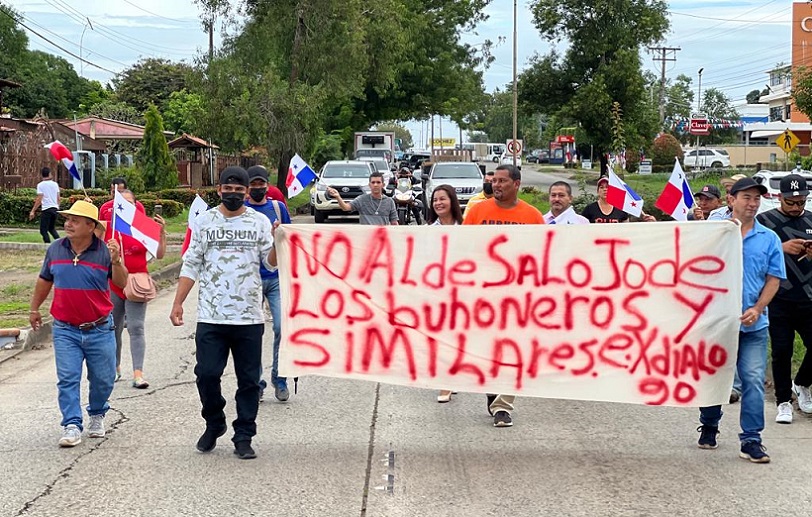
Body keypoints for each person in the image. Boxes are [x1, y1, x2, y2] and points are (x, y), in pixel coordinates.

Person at [170, 166, 274, 460]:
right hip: (211, 316)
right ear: (219, 190)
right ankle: (214, 422)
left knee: (249, 380)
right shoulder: (205, 222)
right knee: (206, 374)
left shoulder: (259, 222)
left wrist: (278, 243)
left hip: (249, 317)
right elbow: (191, 264)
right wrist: (178, 302)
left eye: (239, 190)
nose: (233, 194)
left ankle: (244, 435)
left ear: (246, 192)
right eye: (227, 190)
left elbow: (271, 263)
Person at [696, 177, 785, 464]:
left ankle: (751, 440)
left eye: (757, 198)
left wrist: (758, 308)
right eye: (746, 197)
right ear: (731, 200)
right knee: (714, 377)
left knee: (753, 380)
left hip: (753, 326)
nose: (753, 203)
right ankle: (709, 424)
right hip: (717, 324)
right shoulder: (714, 235)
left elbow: (773, 279)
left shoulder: (769, 239)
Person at [29, 200, 127, 447]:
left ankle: (96, 413)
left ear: (90, 225)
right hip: (65, 329)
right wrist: (34, 308)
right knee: (68, 378)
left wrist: (117, 261)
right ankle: (71, 423)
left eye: (74, 220)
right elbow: (44, 280)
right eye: (68, 219)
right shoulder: (55, 249)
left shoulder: (106, 251)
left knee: (103, 379)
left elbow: (122, 283)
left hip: (100, 328)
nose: (68, 223)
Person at [464, 164, 544, 427]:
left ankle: (503, 406)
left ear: (517, 184)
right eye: (493, 181)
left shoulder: (532, 217)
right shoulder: (477, 212)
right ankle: (491, 385)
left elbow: (543, 255)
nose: (496, 185)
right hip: (483, 294)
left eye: (502, 181)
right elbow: (462, 250)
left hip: (517, 297)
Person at [756, 174, 812, 424]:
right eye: (791, 202)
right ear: (780, 197)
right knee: (781, 350)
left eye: (801, 202)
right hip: (777, 295)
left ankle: (802, 383)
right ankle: (783, 401)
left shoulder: (810, 218)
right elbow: (752, 252)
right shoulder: (764, 221)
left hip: (808, 295)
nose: (797, 207)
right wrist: (781, 247)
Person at [102, 190, 167, 389]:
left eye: (129, 202)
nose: (124, 206)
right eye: (121, 202)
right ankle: (115, 367)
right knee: (114, 328)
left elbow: (160, 254)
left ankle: (138, 373)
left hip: (137, 284)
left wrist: (162, 233)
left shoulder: (141, 228)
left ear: (136, 205)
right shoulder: (109, 229)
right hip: (114, 284)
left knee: (136, 327)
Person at [245, 165, 293, 402]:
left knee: (281, 328)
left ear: (267, 185)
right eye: (252, 185)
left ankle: (280, 376)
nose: (257, 188)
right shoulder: (241, 211)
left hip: (276, 278)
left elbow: (292, 238)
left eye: (260, 184)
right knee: (252, 333)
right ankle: (257, 382)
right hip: (251, 279)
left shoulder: (278, 208)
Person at [426, 184, 463, 403]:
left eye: (443, 199)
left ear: (452, 201)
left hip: (463, 290)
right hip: (438, 290)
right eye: (435, 200)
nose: (438, 203)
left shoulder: (467, 227)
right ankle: (445, 382)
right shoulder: (430, 230)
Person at [328, 171, 399, 225]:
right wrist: (338, 197)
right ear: (369, 185)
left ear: (383, 185)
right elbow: (346, 207)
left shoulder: (390, 202)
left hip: (382, 240)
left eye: (378, 182)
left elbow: (394, 223)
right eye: (373, 182)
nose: (375, 185)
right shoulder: (362, 199)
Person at [29, 167, 61, 243]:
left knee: (43, 230)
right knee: (51, 228)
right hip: (55, 208)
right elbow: (58, 198)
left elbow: (39, 199)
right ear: (49, 174)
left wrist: (33, 211)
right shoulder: (55, 184)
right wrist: (57, 207)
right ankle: (60, 244)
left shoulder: (40, 185)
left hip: (47, 209)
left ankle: (47, 245)